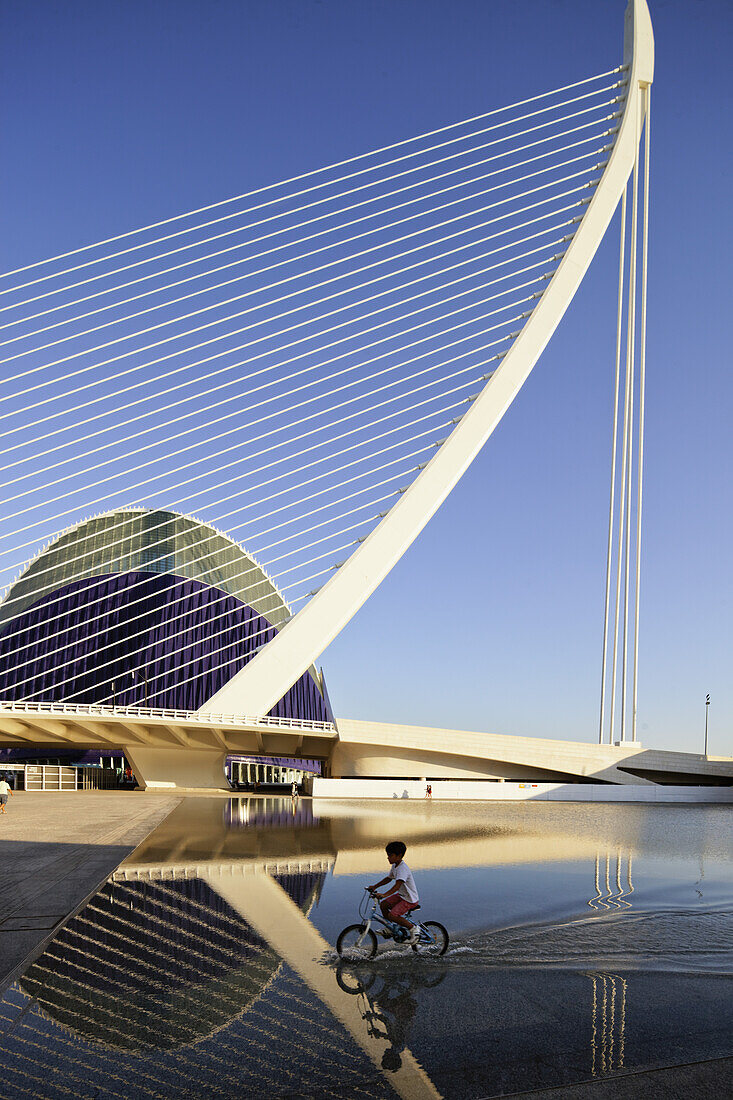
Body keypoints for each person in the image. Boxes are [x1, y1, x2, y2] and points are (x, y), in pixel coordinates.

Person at [368, 840, 420, 945]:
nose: (388, 857)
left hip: (409, 899)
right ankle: (390, 928)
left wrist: (384, 894)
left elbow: (397, 886)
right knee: (383, 905)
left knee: (393, 915)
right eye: (388, 855)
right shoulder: (395, 865)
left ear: (399, 855)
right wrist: (375, 886)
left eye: (390, 855)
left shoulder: (402, 869)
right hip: (401, 896)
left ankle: (414, 929)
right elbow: (388, 879)